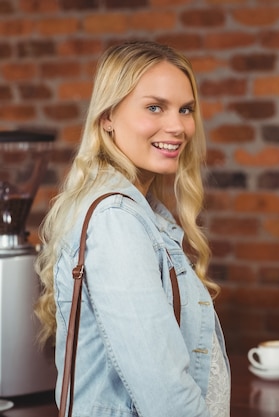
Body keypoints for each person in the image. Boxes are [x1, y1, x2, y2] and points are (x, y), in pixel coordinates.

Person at [34, 41, 229, 417]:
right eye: (155, 107)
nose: (177, 126)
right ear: (108, 115)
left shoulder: (142, 213)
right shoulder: (116, 220)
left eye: (185, 109)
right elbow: (164, 393)